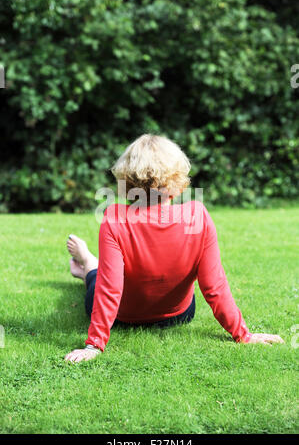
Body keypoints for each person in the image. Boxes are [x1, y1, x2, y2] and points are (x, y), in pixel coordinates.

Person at [64, 134, 284, 363]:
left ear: (127, 182)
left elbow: (109, 287)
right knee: (104, 275)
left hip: (123, 316)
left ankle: (88, 263)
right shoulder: (198, 215)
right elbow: (213, 285)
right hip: (179, 315)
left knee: (98, 277)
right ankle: (89, 263)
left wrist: (94, 345)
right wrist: (242, 334)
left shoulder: (113, 217)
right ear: (177, 180)